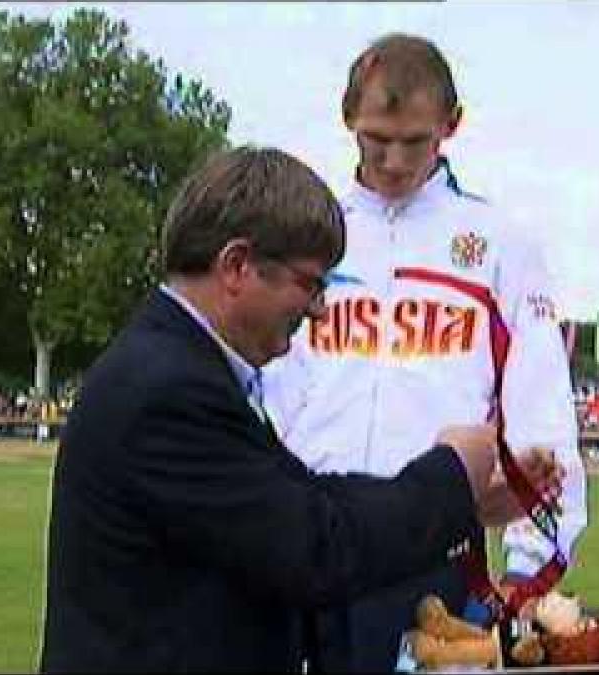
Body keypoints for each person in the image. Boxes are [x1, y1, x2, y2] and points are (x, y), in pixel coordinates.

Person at [37, 146, 563, 673]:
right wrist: (452, 470)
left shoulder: (181, 367)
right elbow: (316, 547)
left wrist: (463, 505)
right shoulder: (169, 389)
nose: (317, 310)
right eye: (311, 283)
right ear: (237, 265)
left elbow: (306, 498)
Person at [262, 33, 587, 671]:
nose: (392, 161)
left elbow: (540, 408)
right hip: (306, 534)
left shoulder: (499, 244)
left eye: (414, 141)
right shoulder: (307, 233)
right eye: (374, 139)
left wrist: (528, 569)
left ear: (451, 124)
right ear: (347, 119)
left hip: (432, 550)